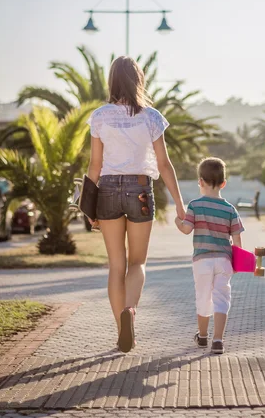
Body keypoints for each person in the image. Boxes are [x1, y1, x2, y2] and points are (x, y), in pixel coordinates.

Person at [87, 56, 185, 353]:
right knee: (138, 262)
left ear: (112, 81)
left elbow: (94, 166)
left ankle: (121, 332)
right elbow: (165, 165)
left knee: (116, 265)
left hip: (106, 191)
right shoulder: (151, 116)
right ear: (139, 80)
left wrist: (89, 210)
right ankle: (130, 311)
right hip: (140, 189)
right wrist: (181, 205)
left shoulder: (100, 116)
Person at [175, 157, 244, 354]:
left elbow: (187, 229)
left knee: (203, 297)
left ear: (200, 181)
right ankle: (218, 340)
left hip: (202, 260)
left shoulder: (195, 206)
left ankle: (203, 336)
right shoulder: (230, 209)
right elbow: (237, 240)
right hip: (224, 260)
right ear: (223, 183)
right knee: (222, 298)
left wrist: (177, 222)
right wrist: (237, 264)